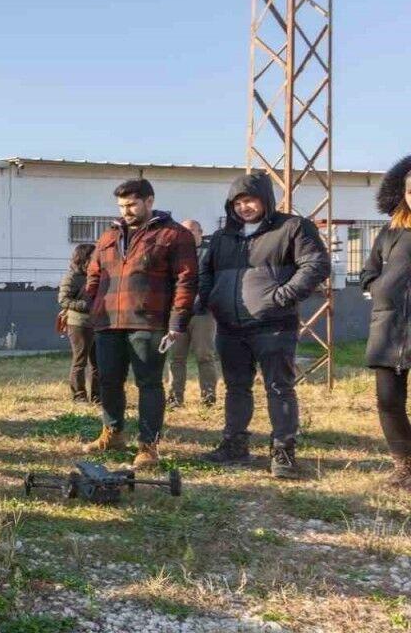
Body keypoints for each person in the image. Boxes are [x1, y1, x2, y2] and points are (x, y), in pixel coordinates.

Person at [198, 172, 329, 479]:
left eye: (250, 200)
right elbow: (205, 273)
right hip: (230, 326)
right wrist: (211, 299)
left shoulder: (293, 227)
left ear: (266, 200)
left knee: (279, 387)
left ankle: (283, 452)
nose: (244, 207)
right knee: (235, 387)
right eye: (238, 202)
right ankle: (234, 445)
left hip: (274, 325)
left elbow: (316, 264)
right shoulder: (222, 237)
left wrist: (282, 296)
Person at [81, 179, 197, 468]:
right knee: (108, 381)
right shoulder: (109, 235)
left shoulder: (174, 235)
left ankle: (148, 446)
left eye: (132, 205)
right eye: (121, 206)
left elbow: (186, 280)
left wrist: (176, 321)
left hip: (149, 322)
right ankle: (113, 434)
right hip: (108, 322)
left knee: (149, 384)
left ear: (149, 201)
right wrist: (94, 305)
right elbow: (94, 273)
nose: (126, 211)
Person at [362, 156, 411, 492]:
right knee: (388, 401)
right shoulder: (390, 231)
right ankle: (404, 466)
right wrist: (378, 288)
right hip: (389, 329)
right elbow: (369, 271)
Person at [165, 219, 220, 408]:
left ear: (200, 232)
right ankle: (175, 398)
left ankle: (208, 397)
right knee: (176, 357)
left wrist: (208, 302)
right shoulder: (174, 253)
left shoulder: (210, 253)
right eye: (183, 231)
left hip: (203, 314)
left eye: (191, 230)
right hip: (177, 314)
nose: (186, 234)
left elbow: (216, 280)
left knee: (205, 355)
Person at [58, 243, 99, 404]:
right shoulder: (72, 277)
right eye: (93, 257)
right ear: (84, 258)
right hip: (78, 324)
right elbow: (63, 300)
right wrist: (84, 305)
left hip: (97, 323)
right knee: (80, 361)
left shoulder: (97, 275)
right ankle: (79, 396)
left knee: (98, 363)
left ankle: (97, 396)